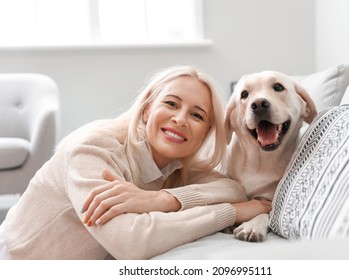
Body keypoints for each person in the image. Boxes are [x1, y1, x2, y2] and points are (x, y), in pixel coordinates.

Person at [0, 65, 271, 260]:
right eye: (171, 104)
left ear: (204, 134)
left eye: (197, 116)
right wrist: (233, 213)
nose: (180, 119)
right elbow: (133, 242)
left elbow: (232, 189)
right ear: (146, 110)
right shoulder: (90, 151)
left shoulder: (173, 166)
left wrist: (162, 200)